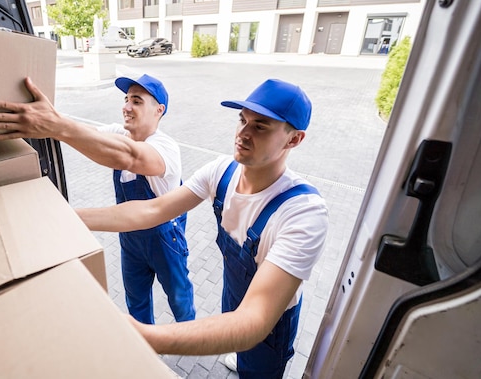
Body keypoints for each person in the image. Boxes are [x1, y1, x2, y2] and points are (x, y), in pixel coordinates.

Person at [76, 78, 329, 378]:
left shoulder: (303, 213)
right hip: (233, 297)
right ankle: (236, 355)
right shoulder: (222, 172)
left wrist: (145, 336)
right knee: (232, 331)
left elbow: (254, 321)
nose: (243, 134)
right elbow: (153, 210)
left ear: (294, 140)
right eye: (242, 120)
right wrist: (70, 216)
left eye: (260, 127)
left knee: (256, 368)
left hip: (268, 325)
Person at [0, 74, 196, 325]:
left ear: (159, 110)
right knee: (136, 298)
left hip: (165, 239)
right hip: (130, 238)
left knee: (179, 298)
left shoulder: (166, 148)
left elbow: (130, 157)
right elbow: (87, 135)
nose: (126, 107)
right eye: (125, 99)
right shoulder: (119, 132)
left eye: (136, 101)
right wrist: (49, 121)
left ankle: (189, 332)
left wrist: (57, 126)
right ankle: (146, 347)